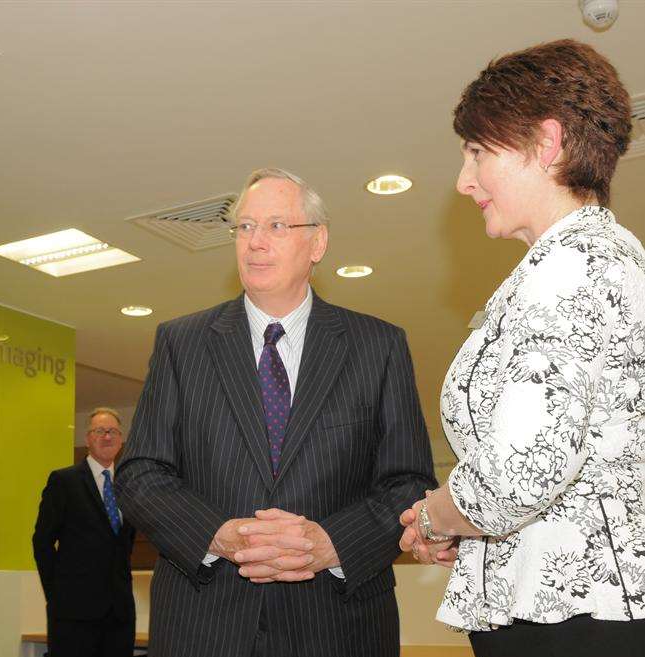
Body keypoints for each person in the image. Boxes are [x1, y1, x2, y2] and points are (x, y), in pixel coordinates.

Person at [115, 167, 437, 657]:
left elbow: (408, 482)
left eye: (276, 226)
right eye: (244, 227)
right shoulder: (182, 343)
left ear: (317, 242)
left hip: (338, 625)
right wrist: (220, 536)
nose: (255, 242)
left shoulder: (379, 346)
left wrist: (329, 543)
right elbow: (140, 475)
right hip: (204, 624)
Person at [398, 39, 645, 657]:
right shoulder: (589, 260)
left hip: (577, 623)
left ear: (547, 143)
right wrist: (461, 520)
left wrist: (434, 514)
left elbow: (524, 472)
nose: (463, 180)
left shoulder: (570, 269)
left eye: (478, 151)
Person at [33, 407, 137, 657]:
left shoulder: (129, 485)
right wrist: (56, 596)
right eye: (100, 431)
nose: (107, 437)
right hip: (73, 614)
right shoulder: (64, 481)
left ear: (121, 440)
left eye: (113, 432)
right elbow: (42, 542)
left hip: (119, 614)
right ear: (88, 438)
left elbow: (124, 545)